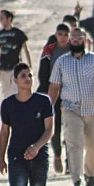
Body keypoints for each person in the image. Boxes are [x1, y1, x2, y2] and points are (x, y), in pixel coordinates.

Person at [0, 63, 54, 186]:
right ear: (15, 80)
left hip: (39, 157)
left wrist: (37, 147)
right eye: (23, 76)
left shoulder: (43, 101)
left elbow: (49, 129)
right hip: (17, 157)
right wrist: (1, 157)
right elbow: (4, 132)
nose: (28, 79)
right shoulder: (8, 104)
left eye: (30, 75)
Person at [49, 27, 94, 186]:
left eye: (79, 37)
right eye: (74, 37)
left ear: (85, 40)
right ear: (70, 40)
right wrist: (48, 107)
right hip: (71, 109)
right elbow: (54, 86)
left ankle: (90, 175)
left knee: (93, 146)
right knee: (74, 144)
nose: (76, 40)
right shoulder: (61, 61)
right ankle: (77, 180)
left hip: (93, 109)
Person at [38, 23, 71, 174]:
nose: (63, 37)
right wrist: (46, 93)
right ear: (56, 35)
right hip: (53, 92)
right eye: (60, 34)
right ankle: (57, 154)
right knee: (55, 127)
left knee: (71, 128)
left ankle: (70, 161)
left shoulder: (74, 50)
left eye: (65, 34)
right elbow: (43, 72)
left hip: (71, 94)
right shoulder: (50, 50)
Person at [0, 10, 32, 98]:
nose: (1, 20)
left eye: (2, 18)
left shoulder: (18, 33)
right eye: (0, 18)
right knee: (6, 93)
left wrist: (29, 66)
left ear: (9, 19)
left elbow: (26, 50)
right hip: (3, 68)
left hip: (16, 67)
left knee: (16, 91)